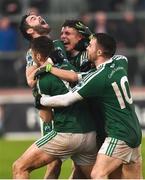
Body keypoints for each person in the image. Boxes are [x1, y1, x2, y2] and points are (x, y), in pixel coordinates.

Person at [37, 33, 142, 179]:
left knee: (98, 174)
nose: (87, 47)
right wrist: (50, 68)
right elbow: (78, 76)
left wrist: (41, 100)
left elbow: (66, 100)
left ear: (99, 52)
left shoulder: (99, 78)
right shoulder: (120, 61)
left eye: (91, 45)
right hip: (135, 129)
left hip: (120, 134)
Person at [12, 36, 98, 179]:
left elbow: (46, 118)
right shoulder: (70, 68)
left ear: (38, 56)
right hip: (90, 134)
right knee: (92, 176)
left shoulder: (42, 78)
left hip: (67, 133)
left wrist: (40, 101)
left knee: (20, 167)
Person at [19, 13, 63, 179]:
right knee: (54, 161)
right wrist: (48, 63)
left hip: (73, 106)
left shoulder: (60, 44)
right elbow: (30, 79)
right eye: (32, 19)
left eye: (37, 15)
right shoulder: (33, 52)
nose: (38, 16)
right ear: (30, 31)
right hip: (51, 110)